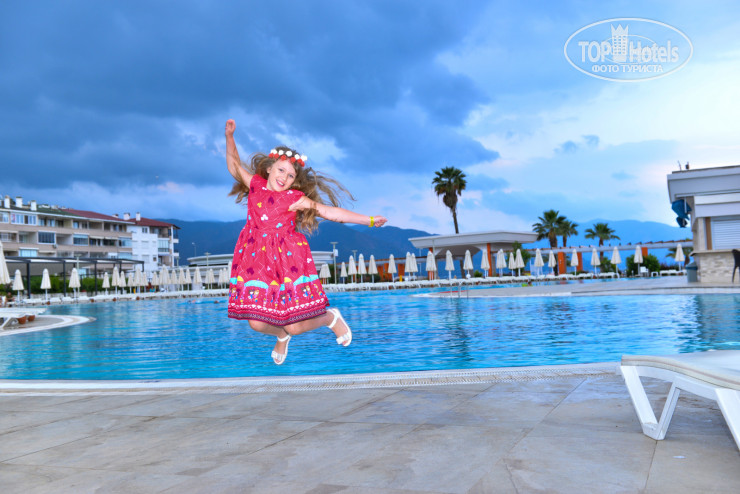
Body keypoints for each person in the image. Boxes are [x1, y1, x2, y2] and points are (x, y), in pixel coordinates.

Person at [224, 119, 387, 365]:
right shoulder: (256, 185)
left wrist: (369, 220)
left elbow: (330, 212)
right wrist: (229, 137)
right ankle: (281, 335)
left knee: (295, 325)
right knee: (256, 323)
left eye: (290, 175)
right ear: (269, 168)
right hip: (257, 261)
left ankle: (330, 318)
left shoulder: (294, 198)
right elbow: (234, 165)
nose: (285, 177)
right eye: (281, 170)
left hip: (285, 262)